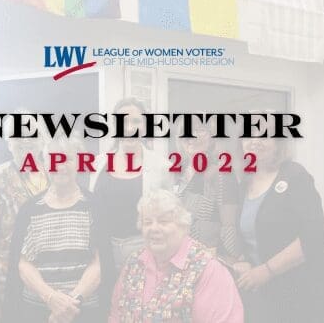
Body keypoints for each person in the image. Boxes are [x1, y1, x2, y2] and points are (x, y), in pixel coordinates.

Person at [234, 131, 324, 322]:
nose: (255, 141)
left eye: (264, 136)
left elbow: (314, 235)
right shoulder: (244, 183)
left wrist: (266, 270)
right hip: (268, 296)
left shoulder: (295, 175)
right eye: (249, 136)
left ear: (278, 143)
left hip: (306, 292)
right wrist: (244, 260)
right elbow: (254, 235)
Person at [2, 136, 100, 323]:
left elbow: (99, 262)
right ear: (45, 165)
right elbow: (23, 264)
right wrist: (51, 298)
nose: (61, 165)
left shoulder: (94, 206)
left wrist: (70, 303)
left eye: (68, 159)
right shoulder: (29, 210)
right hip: (37, 311)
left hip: (82, 311)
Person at [90, 97, 173, 317]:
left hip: (143, 249)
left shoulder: (161, 166)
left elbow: (170, 214)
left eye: (136, 121)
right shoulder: (98, 164)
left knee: (142, 309)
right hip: (103, 251)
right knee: (109, 309)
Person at [109, 189, 244, 323]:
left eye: (163, 221)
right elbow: (116, 315)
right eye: (147, 222)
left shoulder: (209, 270)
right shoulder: (134, 263)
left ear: (183, 226)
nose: (154, 228)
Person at [0, 132, 49, 323]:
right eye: (18, 139)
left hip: (48, 285)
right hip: (6, 285)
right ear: (9, 144)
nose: (25, 142)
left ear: (42, 142)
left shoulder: (54, 175)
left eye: (31, 138)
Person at [175, 119, 241, 260]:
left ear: (212, 138)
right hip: (180, 255)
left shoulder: (222, 172)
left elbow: (229, 227)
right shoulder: (179, 170)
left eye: (200, 130)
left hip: (208, 258)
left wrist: (233, 258)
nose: (192, 136)